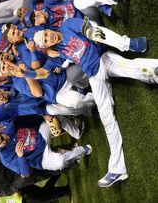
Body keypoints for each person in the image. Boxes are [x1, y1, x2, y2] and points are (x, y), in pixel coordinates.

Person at [24, 18, 158, 187]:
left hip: (105, 58)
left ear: (48, 30)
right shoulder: (58, 52)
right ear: (46, 47)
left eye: (47, 35)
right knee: (107, 118)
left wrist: (88, 32)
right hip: (94, 76)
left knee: (135, 69)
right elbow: (42, 73)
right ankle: (117, 169)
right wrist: (25, 73)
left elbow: (85, 26)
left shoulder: (65, 26)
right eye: (46, 41)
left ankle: (150, 68)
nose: (49, 38)